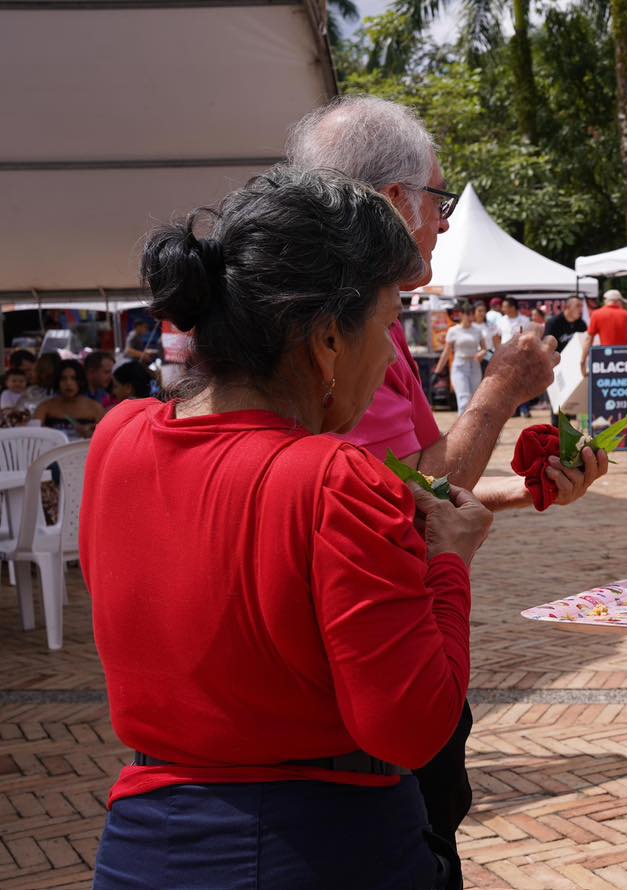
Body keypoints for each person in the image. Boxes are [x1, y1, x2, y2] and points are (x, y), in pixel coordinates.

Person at [82, 169, 493, 889]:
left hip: (143, 846)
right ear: (328, 337)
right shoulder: (336, 480)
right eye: (390, 323)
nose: (393, 356)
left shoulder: (118, 438)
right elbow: (412, 724)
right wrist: (447, 565)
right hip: (321, 847)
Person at [286, 96, 606, 884]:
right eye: (439, 198)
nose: (443, 221)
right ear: (394, 202)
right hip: (380, 658)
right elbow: (399, 488)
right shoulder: (342, 329)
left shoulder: (371, 321)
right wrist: (500, 392)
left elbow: (409, 479)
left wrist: (531, 491)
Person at [433, 303, 496, 414]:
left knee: (474, 399)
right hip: (460, 364)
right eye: (468, 314)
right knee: (463, 398)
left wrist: (481, 353)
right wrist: (437, 372)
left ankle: (472, 427)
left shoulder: (477, 330)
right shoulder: (453, 330)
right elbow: (446, 353)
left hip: (474, 365)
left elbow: (484, 348)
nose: (471, 318)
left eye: (472, 315)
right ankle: (461, 428)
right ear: (461, 314)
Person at [32, 359, 105, 438]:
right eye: (63, 379)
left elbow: (105, 437)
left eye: (73, 378)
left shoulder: (95, 409)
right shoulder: (45, 407)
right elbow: (34, 434)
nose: (68, 383)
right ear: (57, 381)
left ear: (81, 381)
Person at [581, 289, 627, 375]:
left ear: (606, 301)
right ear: (618, 301)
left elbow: (588, 340)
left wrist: (582, 361)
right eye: (622, 302)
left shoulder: (596, 314)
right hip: (625, 358)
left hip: (607, 358)